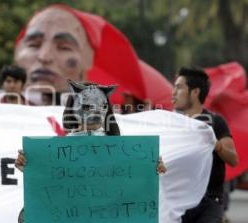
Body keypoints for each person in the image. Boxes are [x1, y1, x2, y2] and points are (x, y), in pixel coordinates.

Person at [15, 80, 166, 222]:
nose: (94, 111)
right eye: (87, 105)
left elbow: (135, 192)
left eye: (100, 105)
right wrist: (31, 169)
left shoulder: (124, 152)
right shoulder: (54, 153)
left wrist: (151, 168)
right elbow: (44, 198)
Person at [14, 4, 173, 108]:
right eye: (33, 45)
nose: (44, 56)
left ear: (87, 62)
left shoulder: (99, 121)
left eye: (64, 47)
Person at [172, 66, 239, 223]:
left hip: (209, 202)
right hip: (177, 202)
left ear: (195, 92)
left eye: (179, 87)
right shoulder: (170, 123)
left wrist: (216, 145)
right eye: (173, 87)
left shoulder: (215, 122)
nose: (173, 93)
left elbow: (233, 160)